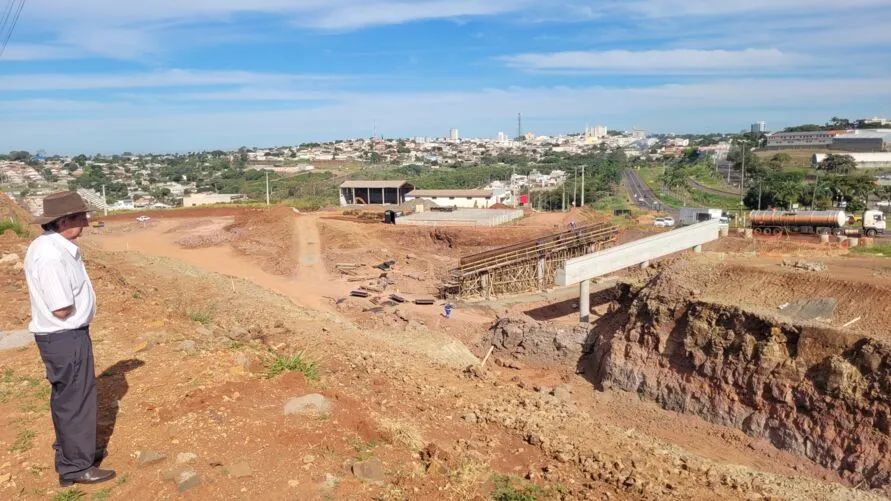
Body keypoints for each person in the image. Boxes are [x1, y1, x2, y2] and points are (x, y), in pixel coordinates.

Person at [23, 191, 115, 487]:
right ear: (64, 220)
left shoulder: (54, 247)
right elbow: (61, 308)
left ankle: (74, 451)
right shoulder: (51, 256)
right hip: (64, 336)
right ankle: (75, 467)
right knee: (76, 401)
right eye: (80, 217)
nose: (86, 223)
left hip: (64, 338)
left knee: (69, 399)